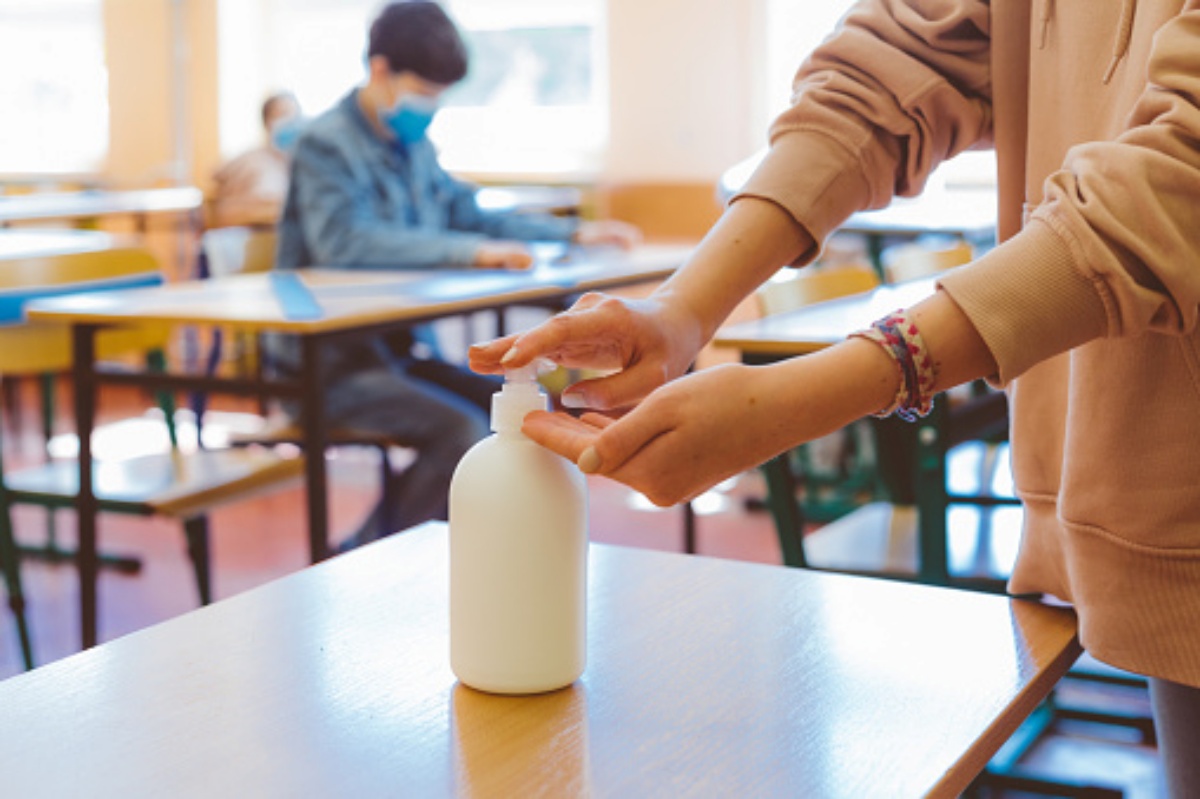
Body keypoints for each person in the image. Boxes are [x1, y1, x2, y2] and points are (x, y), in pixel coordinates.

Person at [470, 1, 1200, 792]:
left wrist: (813, 393)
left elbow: (1176, 181)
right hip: (1147, 498)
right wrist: (680, 307)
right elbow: (891, 65)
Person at [274, 0, 639, 551]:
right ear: (381, 70)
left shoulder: (413, 145)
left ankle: (484, 553)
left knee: (522, 409)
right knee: (461, 432)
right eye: (424, 89)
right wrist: (475, 253)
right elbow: (345, 242)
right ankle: (359, 559)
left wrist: (567, 233)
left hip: (395, 353)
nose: (431, 105)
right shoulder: (325, 144)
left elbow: (468, 211)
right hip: (328, 366)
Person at [209, 91, 303, 228]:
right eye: (283, 114)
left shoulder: (306, 162)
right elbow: (224, 210)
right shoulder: (249, 163)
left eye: (295, 116)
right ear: (267, 122)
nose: (290, 121)